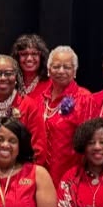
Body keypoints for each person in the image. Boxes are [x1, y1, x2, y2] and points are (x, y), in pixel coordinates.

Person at [0, 55, 47, 164]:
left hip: (20, 175)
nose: (3, 78)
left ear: (16, 78)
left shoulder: (29, 107)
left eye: (8, 73)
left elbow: (38, 151)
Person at [40, 46, 91, 183]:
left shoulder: (84, 98)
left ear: (74, 71)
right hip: (39, 172)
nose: (61, 71)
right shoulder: (40, 97)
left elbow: (88, 142)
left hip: (71, 175)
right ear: (49, 70)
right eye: (56, 66)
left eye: (67, 67)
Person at [11, 33, 50, 100]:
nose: (29, 59)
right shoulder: (10, 82)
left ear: (42, 57)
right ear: (17, 57)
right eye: (24, 54)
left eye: (34, 54)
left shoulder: (52, 84)